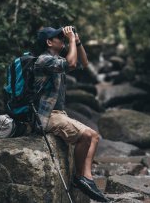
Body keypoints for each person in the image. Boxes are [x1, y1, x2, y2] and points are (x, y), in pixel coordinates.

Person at [34, 26, 108, 202]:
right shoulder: (44, 60)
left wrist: (78, 41)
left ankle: (86, 178)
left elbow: (83, 63)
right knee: (87, 135)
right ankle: (80, 178)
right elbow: (72, 63)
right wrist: (72, 41)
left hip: (60, 113)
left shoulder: (57, 59)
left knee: (95, 137)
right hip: (47, 116)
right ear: (49, 42)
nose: (63, 39)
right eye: (59, 37)